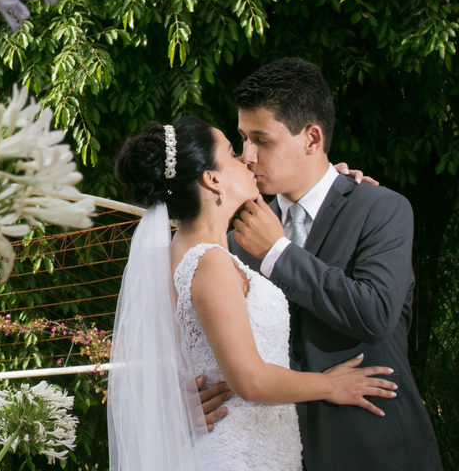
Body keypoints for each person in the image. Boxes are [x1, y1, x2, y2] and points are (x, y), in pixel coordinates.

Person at [107, 116, 396, 471]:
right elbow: (251, 380)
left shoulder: (187, 255)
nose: (246, 159)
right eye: (232, 151)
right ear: (212, 179)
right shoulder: (210, 262)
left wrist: (332, 188)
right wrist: (330, 385)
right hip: (241, 455)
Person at [228, 57, 443, 471]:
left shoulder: (382, 209)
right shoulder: (238, 235)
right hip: (276, 451)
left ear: (311, 138)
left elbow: (375, 313)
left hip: (376, 449)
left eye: (262, 140)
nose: (248, 156)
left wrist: (277, 253)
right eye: (242, 139)